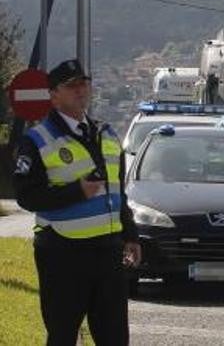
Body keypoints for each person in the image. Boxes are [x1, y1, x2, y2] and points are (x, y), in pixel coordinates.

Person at [12, 58, 141, 345]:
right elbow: (26, 196)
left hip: (108, 252)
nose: (81, 90)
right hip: (62, 253)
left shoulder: (106, 133)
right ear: (53, 95)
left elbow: (117, 192)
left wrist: (130, 234)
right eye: (72, 86)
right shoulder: (37, 140)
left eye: (84, 83)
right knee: (63, 336)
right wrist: (76, 192)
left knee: (115, 338)